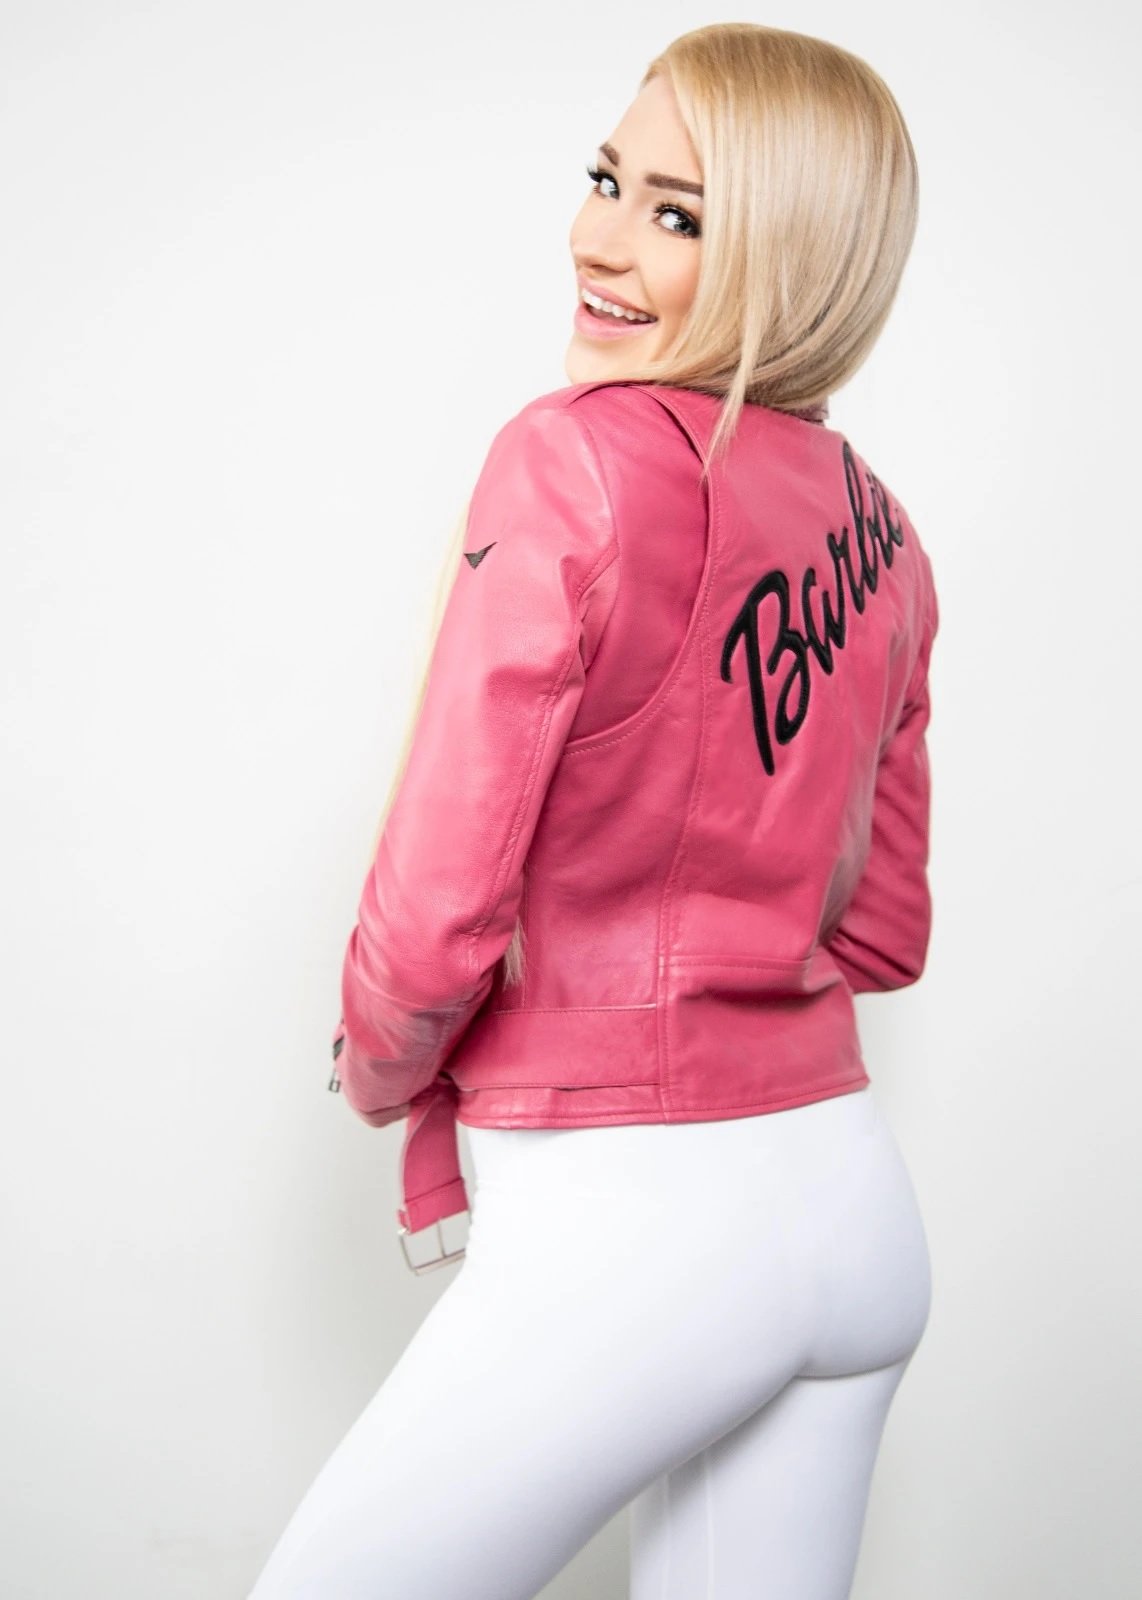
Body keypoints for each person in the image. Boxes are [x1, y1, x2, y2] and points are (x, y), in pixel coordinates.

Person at [249, 22, 938, 1600]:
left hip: (630, 1225)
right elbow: (884, 936)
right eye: (607, 179)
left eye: (678, 214)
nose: (598, 238)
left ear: (790, 255)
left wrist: (378, 1070)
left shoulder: (574, 460)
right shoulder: (889, 539)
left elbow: (435, 912)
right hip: (850, 1210)